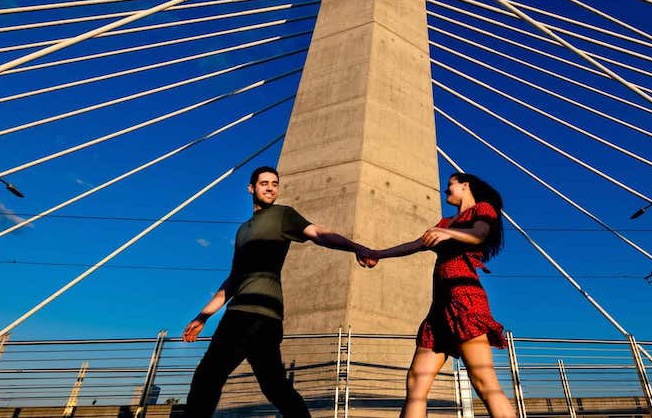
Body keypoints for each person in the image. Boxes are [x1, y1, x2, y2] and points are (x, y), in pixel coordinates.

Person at [181, 165, 376, 418]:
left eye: (274, 184)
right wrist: (203, 316)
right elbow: (234, 279)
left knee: (208, 377)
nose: (271, 188)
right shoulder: (243, 231)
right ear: (251, 188)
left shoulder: (283, 216)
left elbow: (318, 233)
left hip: (257, 317)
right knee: (273, 386)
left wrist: (356, 247)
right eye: (264, 183)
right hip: (246, 313)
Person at [368, 172, 515, 418]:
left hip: (465, 300)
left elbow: (478, 234)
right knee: (416, 385)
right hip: (439, 308)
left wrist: (450, 234)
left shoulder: (482, 209)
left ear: (465, 185)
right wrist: (377, 253)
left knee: (483, 380)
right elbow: (414, 245)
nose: (446, 190)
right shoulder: (445, 222)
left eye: (450, 186)